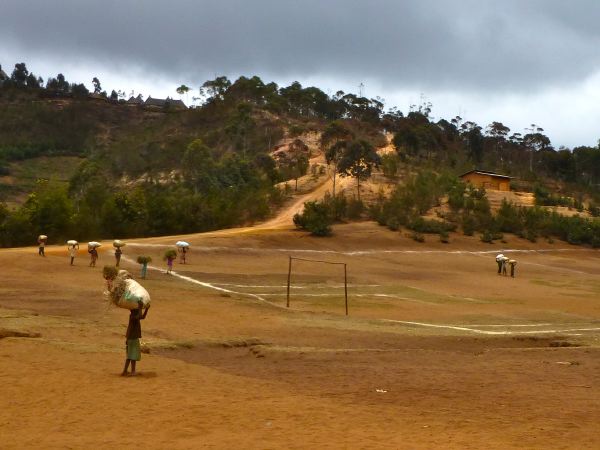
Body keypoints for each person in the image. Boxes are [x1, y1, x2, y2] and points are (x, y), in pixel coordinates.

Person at [122, 301, 150, 376]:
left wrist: (146, 309)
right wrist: (140, 307)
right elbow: (140, 316)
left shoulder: (133, 316)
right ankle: (133, 371)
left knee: (129, 355)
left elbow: (142, 317)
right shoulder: (132, 316)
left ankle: (125, 371)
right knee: (133, 355)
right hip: (132, 338)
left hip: (131, 337)